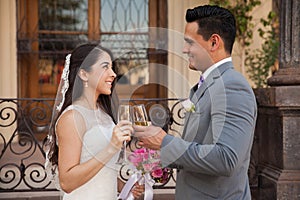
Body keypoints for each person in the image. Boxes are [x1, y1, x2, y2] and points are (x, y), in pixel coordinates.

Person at [134, 5, 257, 199]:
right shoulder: (210, 84)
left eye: (189, 42)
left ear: (214, 42)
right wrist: (161, 154)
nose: (184, 49)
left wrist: (165, 142)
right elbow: (200, 147)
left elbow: (226, 158)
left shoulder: (232, 86)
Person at [45, 43, 143, 199]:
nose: (113, 74)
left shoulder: (103, 112)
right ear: (84, 74)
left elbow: (102, 168)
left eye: (112, 68)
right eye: (105, 67)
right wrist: (111, 147)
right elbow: (67, 183)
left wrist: (123, 187)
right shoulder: (72, 118)